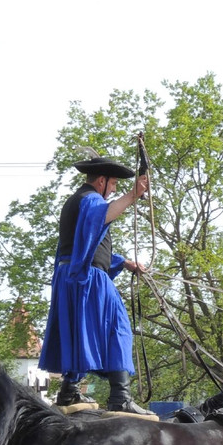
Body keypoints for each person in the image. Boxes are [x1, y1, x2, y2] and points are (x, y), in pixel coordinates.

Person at [38, 156, 156, 415]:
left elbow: (83, 245)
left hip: (69, 276)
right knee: (118, 327)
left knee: (78, 332)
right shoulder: (91, 200)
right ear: (101, 181)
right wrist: (134, 194)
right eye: (113, 184)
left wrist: (123, 262)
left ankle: (68, 391)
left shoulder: (75, 201)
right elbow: (101, 216)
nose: (113, 189)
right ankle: (120, 397)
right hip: (88, 278)